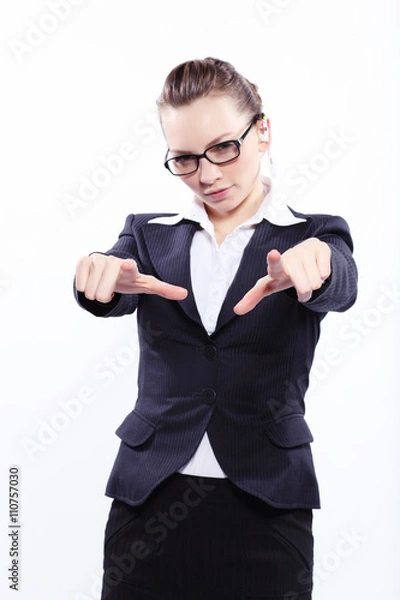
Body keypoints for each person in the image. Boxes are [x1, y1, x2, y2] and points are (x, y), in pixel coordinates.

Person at [74, 57, 358, 600]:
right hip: (148, 497)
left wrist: (318, 266)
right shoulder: (147, 236)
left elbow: (341, 283)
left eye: (224, 147)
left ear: (263, 131)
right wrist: (96, 276)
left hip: (267, 501)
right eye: (184, 159)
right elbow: (108, 287)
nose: (207, 174)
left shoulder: (313, 234)